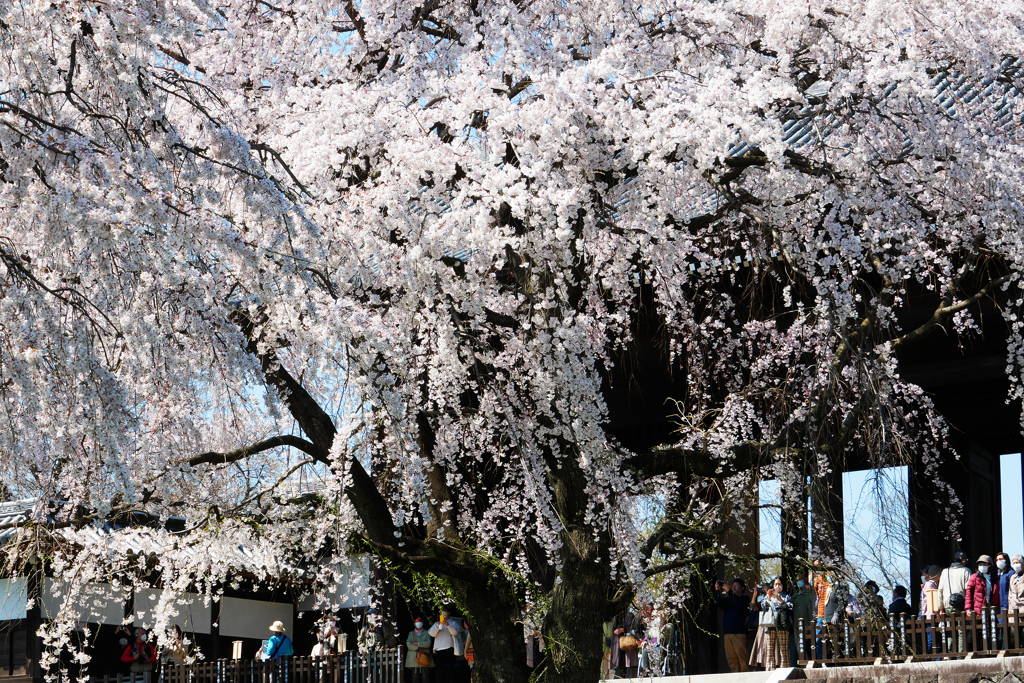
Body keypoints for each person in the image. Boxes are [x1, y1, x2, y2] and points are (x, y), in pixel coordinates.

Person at [938, 551, 972, 652]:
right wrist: (968, 606)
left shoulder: (945, 571)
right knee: (961, 630)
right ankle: (960, 654)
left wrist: (941, 608)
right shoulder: (966, 571)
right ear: (964, 560)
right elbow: (968, 590)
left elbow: (940, 590)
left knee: (949, 629)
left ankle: (949, 653)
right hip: (960, 605)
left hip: (947, 605)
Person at [714, 578, 750, 673]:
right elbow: (718, 602)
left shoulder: (744, 599)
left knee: (742, 656)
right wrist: (717, 591)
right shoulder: (728, 600)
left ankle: (745, 676)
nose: (733, 587)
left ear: (742, 588)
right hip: (727, 632)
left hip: (739, 632)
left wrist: (729, 591)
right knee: (731, 658)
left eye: (736, 585)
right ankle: (735, 676)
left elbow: (737, 604)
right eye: (733, 585)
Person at [757, 577, 792, 670]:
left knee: (784, 649)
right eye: (775, 584)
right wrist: (769, 597)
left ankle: (785, 670)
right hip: (770, 624)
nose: (777, 586)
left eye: (779, 584)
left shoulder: (786, 596)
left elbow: (790, 607)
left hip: (782, 624)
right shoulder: (768, 595)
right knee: (770, 650)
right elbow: (762, 606)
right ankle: (769, 670)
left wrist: (779, 599)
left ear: (782, 585)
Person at [429, 606, 461, 683]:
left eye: (444, 611)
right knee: (440, 671)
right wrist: (438, 625)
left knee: (451, 669)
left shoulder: (453, 622)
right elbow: (431, 634)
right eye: (441, 611)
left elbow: (455, 633)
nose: (443, 613)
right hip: (439, 649)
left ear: (449, 612)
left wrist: (448, 625)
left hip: (450, 648)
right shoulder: (436, 623)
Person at [610, 608, 642, 678]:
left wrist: (623, 629)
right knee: (618, 672)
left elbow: (634, 628)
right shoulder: (615, 618)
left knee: (629, 672)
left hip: (629, 646)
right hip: (618, 649)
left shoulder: (630, 616)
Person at [791, 573, 815, 661]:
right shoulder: (794, 595)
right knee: (799, 647)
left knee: (803, 645)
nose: (799, 581)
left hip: (807, 624)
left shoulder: (809, 592)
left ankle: (806, 663)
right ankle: (805, 663)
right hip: (796, 625)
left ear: (805, 579)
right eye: (797, 579)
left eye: (801, 578)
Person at [405, 616, 433, 683]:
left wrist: (417, 643)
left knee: (425, 678)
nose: (418, 622)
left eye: (420, 621)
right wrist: (418, 647)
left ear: (423, 622)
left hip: (424, 657)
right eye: (416, 621)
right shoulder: (411, 633)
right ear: (414, 623)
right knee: (415, 679)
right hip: (413, 658)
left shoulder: (427, 632)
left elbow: (428, 643)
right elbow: (408, 644)